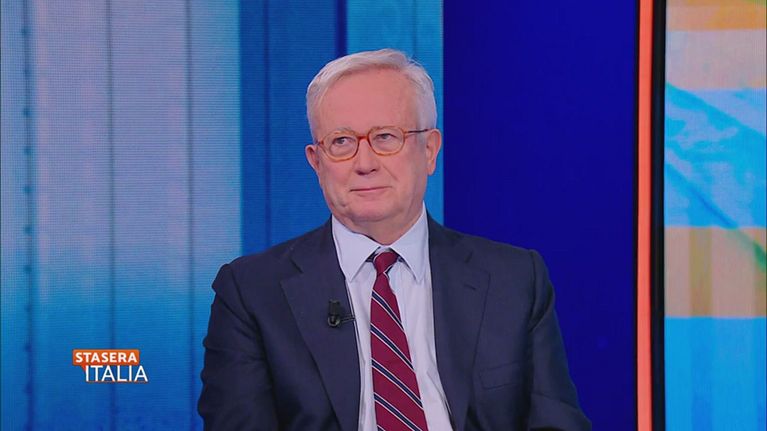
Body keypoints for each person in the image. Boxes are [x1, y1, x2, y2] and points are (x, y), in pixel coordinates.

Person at [198, 48, 590, 431]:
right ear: (316, 162)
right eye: (341, 142)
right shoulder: (252, 293)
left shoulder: (514, 279)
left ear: (430, 151)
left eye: (386, 137)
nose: (365, 163)